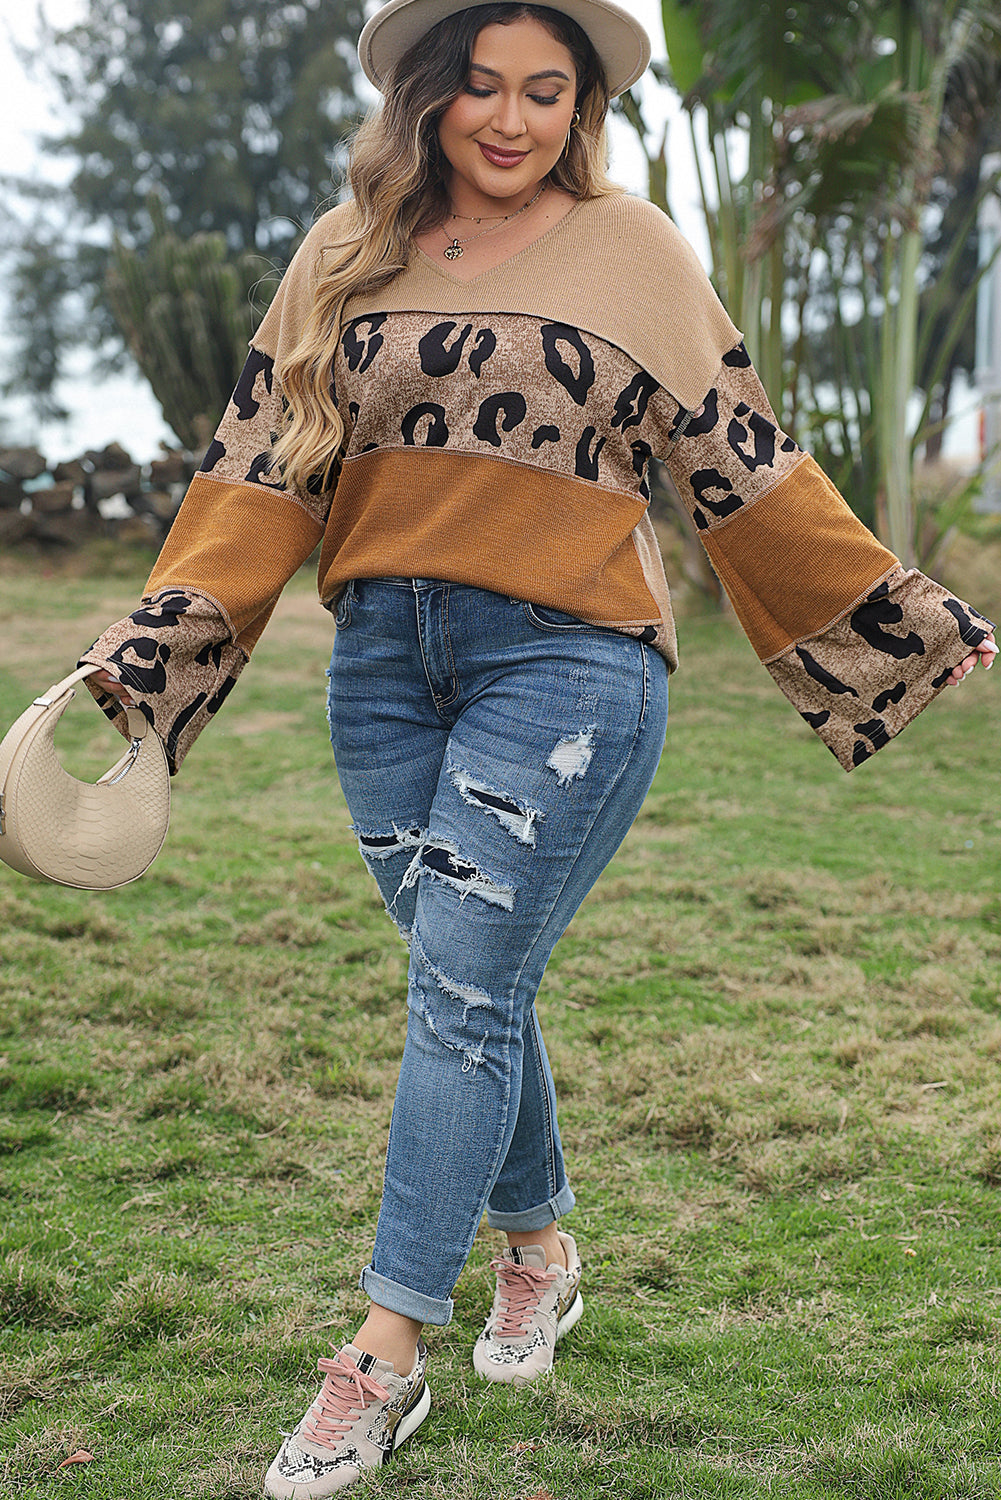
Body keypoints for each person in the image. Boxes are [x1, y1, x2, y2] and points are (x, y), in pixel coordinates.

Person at [84, 1, 996, 1493]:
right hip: (380, 665)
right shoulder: (340, 253)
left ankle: (378, 1360)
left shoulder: (632, 248)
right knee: (468, 979)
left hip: (568, 665)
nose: (508, 122)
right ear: (428, 95)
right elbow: (259, 465)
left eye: (543, 92)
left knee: (456, 991)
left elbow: (742, 462)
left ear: (578, 105)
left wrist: (893, 618)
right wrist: (160, 642)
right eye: (481, 90)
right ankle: (538, 1249)